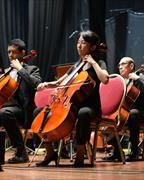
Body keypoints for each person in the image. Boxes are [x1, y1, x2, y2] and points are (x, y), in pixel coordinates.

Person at [34, 30, 109, 167]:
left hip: (90, 108)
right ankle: (50, 152)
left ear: (92, 47)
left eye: (83, 43)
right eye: (78, 42)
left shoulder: (99, 62)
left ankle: (80, 153)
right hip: (69, 105)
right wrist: (46, 84)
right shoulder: (77, 65)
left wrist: (93, 63)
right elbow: (60, 83)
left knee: (83, 113)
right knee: (38, 112)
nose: (79, 46)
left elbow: (105, 79)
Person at [0, 39, 42, 163]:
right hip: (1, 109)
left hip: (22, 111)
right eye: (8, 52)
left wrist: (20, 69)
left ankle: (21, 152)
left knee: (5, 112)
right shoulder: (6, 72)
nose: (10, 55)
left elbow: (35, 85)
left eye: (13, 52)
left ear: (22, 52)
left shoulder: (32, 69)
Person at [104, 57, 144, 161]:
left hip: (143, 115)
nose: (120, 67)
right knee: (106, 116)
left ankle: (135, 151)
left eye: (123, 64)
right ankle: (118, 151)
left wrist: (137, 78)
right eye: (119, 65)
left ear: (131, 66)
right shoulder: (121, 82)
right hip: (125, 113)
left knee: (133, 113)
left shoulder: (143, 77)